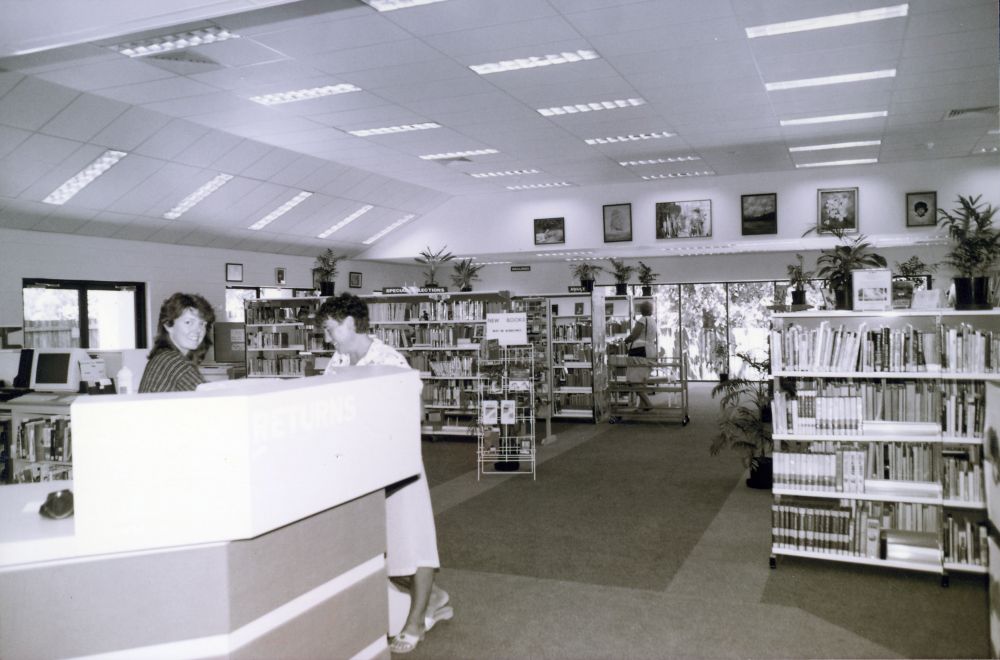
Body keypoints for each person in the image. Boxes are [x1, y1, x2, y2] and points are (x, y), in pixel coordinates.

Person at [317, 293, 451, 654]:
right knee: (382, 547)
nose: (327, 337)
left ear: (349, 323)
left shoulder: (389, 360)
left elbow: (416, 411)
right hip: (359, 469)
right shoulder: (338, 361)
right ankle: (434, 598)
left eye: (330, 329)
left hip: (398, 466)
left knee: (414, 541)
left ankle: (416, 622)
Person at [139, 292, 215, 393]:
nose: (198, 330)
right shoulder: (173, 361)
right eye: (188, 322)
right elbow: (209, 396)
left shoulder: (164, 357)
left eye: (202, 324)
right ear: (168, 325)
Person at [624, 300, 657, 410]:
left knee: (632, 380)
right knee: (642, 379)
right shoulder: (653, 321)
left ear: (641, 310)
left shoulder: (642, 320)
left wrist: (625, 340)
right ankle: (642, 405)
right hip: (650, 350)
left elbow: (634, 335)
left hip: (640, 351)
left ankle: (648, 403)